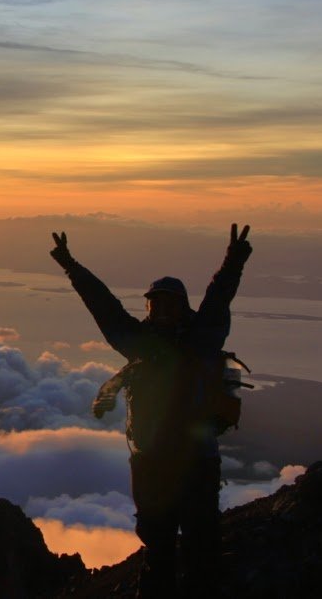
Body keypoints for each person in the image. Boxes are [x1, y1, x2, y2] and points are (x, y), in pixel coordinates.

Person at [50, 224, 253, 598]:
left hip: (183, 462)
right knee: (166, 547)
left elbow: (218, 297)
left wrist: (233, 262)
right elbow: (104, 305)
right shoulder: (156, 343)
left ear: (182, 307)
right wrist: (71, 267)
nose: (160, 310)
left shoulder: (193, 340)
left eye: (168, 303)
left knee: (193, 546)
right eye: (155, 304)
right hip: (167, 461)